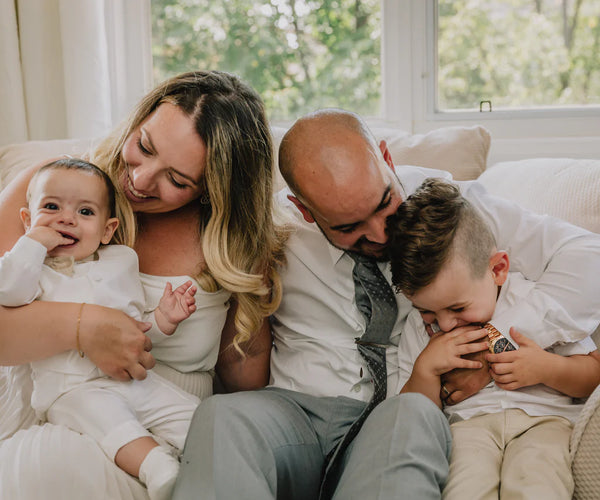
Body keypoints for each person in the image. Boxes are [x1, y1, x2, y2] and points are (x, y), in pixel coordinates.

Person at [174, 108, 600, 500]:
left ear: (387, 160)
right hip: (300, 411)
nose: (380, 235)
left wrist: (493, 345)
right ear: (304, 210)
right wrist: (246, 285)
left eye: (384, 205)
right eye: (349, 227)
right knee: (221, 417)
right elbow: (242, 374)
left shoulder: (451, 210)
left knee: (408, 414)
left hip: (400, 417)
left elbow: (588, 256)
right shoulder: (272, 228)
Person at [0, 71, 286, 500]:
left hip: (169, 415)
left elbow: (244, 378)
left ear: (212, 189)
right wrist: (85, 327)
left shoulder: (230, 246)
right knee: (54, 468)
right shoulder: (52, 190)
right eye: (144, 146)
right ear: (138, 119)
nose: (140, 179)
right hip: (60, 405)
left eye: (177, 180)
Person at [0, 158, 202, 500]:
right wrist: (33, 242)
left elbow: (133, 334)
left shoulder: (120, 262)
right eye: (51, 207)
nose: (66, 219)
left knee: (190, 414)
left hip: (133, 378)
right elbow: (8, 292)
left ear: (107, 230)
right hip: (72, 391)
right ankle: (156, 466)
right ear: (28, 219)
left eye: (85, 212)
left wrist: (162, 320)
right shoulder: (31, 269)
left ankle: (216, 465)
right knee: (111, 422)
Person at [387, 178, 600, 499]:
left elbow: (593, 375)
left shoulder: (532, 300)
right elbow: (412, 418)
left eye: (458, 307)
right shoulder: (419, 331)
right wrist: (425, 371)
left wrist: (546, 368)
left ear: (498, 269)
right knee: (464, 489)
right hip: (466, 430)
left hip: (542, 423)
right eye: (427, 311)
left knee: (538, 485)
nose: (444, 324)